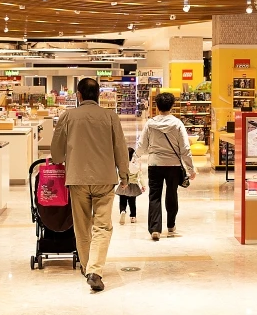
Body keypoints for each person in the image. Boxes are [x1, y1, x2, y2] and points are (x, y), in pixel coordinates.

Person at [51, 78, 130, 292]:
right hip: (105, 178)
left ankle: (88, 267)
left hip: (77, 178)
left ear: (79, 95)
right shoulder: (110, 116)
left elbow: (56, 152)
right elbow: (120, 148)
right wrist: (124, 174)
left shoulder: (67, 116)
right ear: (99, 95)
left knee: (82, 226)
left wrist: (62, 159)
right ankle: (95, 271)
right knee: (103, 226)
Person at [135, 92, 196, 241]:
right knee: (172, 194)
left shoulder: (150, 124)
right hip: (173, 165)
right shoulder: (177, 124)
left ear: (157, 106)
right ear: (172, 106)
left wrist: (134, 160)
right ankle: (171, 225)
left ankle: (155, 228)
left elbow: (141, 145)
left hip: (154, 164)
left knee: (154, 196)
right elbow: (185, 148)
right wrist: (190, 169)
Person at [117, 148, 143, 225]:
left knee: (122, 201)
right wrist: (143, 185)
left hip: (124, 185)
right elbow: (140, 176)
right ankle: (133, 217)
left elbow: (119, 174)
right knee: (132, 202)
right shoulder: (135, 166)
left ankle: (122, 211)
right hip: (133, 186)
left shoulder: (123, 166)